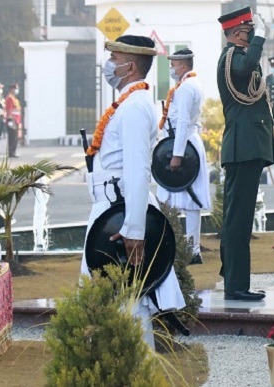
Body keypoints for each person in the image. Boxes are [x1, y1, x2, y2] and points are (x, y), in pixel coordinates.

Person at [81, 35, 185, 348]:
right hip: (110, 210)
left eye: (113, 58)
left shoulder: (136, 106)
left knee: (132, 295)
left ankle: (140, 366)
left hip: (122, 211)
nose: (108, 64)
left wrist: (135, 231)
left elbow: (138, 171)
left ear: (129, 66)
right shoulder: (127, 103)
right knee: (111, 295)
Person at [216, 7, 273, 302]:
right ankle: (236, 285)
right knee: (238, 218)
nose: (253, 38)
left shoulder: (236, 58)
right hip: (244, 146)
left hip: (246, 146)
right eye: (250, 33)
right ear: (239, 34)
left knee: (236, 217)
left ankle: (233, 277)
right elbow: (246, 66)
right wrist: (261, 38)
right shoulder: (232, 59)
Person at [158, 48, 209, 264]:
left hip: (185, 146)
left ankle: (192, 250)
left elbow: (183, 122)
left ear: (184, 66)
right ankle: (185, 248)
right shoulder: (186, 85)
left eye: (173, 64)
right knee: (175, 199)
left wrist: (177, 154)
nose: (171, 68)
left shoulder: (187, 88)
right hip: (182, 143)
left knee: (190, 200)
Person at [4, 83, 22, 157]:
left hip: (16, 120)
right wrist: (11, 120)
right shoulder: (9, 98)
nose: (16, 90)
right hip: (12, 120)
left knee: (15, 137)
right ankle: (11, 152)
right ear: (11, 89)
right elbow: (9, 110)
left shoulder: (15, 99)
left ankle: (13, 151)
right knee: (12, 137)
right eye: (15, 89)